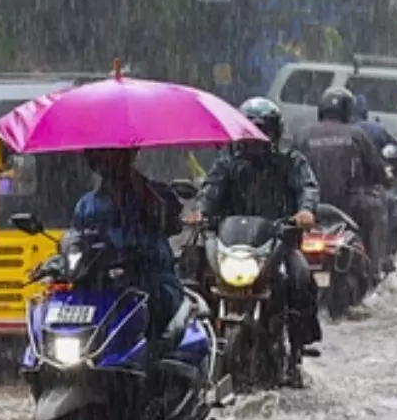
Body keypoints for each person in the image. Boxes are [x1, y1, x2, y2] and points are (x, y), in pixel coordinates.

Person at [186, 98, 323, 383]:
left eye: (262, 131)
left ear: (274, 133)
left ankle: (298, 346)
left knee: (301, 278)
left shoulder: (290, 161)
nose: (255, 138)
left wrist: (305, 211)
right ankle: (189, 341)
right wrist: (200, 211)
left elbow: (307, 187)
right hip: (230, 244)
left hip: (277, 242)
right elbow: (210, 190)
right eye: (250, 131)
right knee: (191, 268)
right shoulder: (227, 163)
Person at [72, 147, 186, 348]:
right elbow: (77, 240)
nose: (106, 161)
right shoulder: (86, 205)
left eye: (113, 155)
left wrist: (144, 193)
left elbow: (172, 223)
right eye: (99, 156)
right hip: (104, 287)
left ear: (130, 156)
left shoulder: (154, 192)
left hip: (152, 282)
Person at [289, 87, 391, 285]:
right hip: (349, 206)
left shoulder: (302, 135)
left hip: (309, 208)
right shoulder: (356, 135)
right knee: (378, 210)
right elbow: (377, 171)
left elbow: (290, 172)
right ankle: (374, 270)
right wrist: (384, 179)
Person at [353, 93, 397, 271]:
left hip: (334, 193)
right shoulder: (372, 130)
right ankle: (383, 259)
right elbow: (396, 151)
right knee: (389, 206)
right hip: (366, 190)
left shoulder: (322, 131)